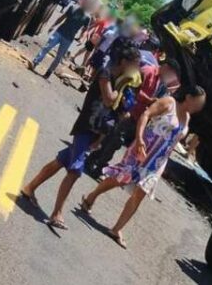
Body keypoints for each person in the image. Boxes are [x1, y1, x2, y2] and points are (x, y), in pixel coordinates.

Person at [19, 44, 144, 230]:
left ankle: (29, 188)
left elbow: (121, 110)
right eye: (135, 64)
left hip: (98, 130)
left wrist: (125, 102)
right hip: (86, 125)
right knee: (75, 169)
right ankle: (57, 213)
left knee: (64, 159)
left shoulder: (121, 81)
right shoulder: (105, 73)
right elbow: (109, 99)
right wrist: (122, 88)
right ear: (124, 61)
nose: (136, 69)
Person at [79, 85, 207, 248]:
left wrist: (164, 162)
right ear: (189, 97)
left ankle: (116, 229)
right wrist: (139, 139)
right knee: (120, 179)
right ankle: (91, 197)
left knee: (140, 194)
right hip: (142, 150)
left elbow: (174, 140)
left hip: (157, 161)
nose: (199, 107)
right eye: (198, 102)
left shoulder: (187, 118)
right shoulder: (169, 103)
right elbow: (146, 115)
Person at [31, 0, 94, 79]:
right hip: (59, 32)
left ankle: (49, 72)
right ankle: (35, 62)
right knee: (47, 47)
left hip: (68, 38)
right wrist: (53, 25)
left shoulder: (87, 17)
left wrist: (82, 38)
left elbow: (85, 29)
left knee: (59, 57)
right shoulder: (73, 7)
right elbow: (62, 17)